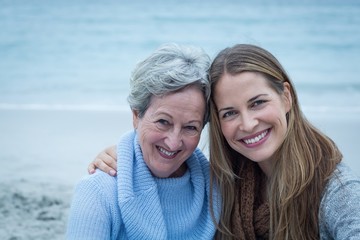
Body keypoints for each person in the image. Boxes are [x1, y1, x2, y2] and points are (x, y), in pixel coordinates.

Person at [89, 44, 360, 239]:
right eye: (230, 113)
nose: (248, 123)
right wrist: (127, 154)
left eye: (258, 103)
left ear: (286, 97)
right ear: (217, 122)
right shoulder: (224, 181)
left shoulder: (337, 191)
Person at [66, 43, 221, 240]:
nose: (173, 143)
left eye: (190, 127)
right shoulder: (97, 192)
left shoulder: (218, 192)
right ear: (136, 115)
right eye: (163, 122)